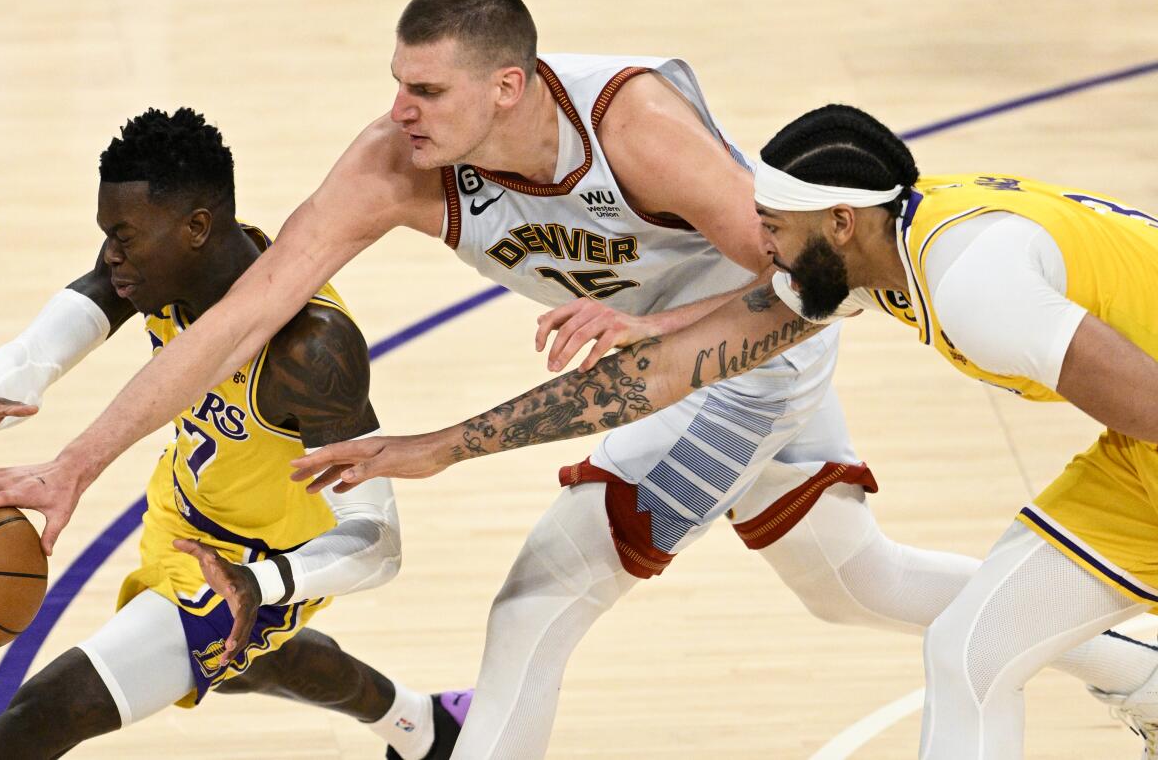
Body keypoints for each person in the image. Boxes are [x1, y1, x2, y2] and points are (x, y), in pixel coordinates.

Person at [0, 0, 1153, 757]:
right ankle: (1137, 668)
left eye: (424, 89)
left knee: (535, 602)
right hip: (694, 362)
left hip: (743, 366)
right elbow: (237, 316)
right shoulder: (393, 165)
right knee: (855, 582)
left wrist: (663, 339)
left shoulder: (631, 128)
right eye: (395, 83)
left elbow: (805, 289)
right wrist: (73, 465)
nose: (398, 110)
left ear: (510, 87)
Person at [298, 103, 1158, 757]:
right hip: (1135, 458)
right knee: (966, 646)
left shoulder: (978, 288)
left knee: (966, 648)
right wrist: (438, 447)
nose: (762, 250)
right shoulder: (882, 247)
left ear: (839, 225)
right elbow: (701, 352)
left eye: (774, 233)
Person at [0, 108, 467, 760]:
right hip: (185, 506)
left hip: (254, 563)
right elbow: (47, 341)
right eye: (106, 234)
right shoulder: (158, 265)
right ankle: (422, 726)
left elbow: (379, 545)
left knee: (29, 725)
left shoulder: (311, 349)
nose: (111, 254)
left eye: (124, 236)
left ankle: (421, 726)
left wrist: (269, 584)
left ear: (197, 227)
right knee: (243, 667)